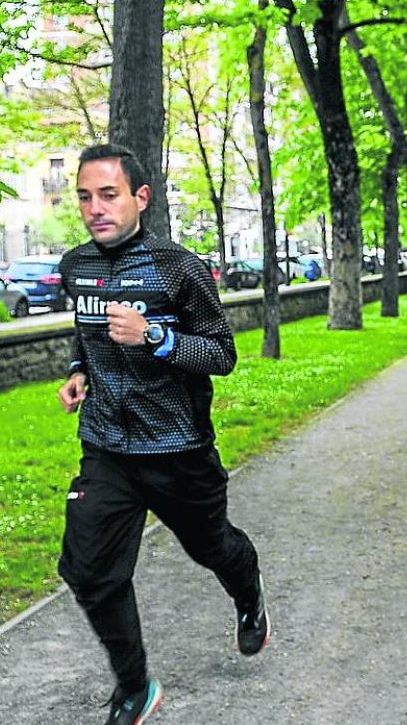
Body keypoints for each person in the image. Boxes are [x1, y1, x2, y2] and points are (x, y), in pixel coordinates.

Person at [56, 144, 269, 725]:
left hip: (178, 451)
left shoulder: (179, 268)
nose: (95, 208)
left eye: (108, 194)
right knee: (88, 571)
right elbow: (86, 335)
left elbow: (221, 354)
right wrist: (79, 372)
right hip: (107, 448)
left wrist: (155, 336)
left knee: (211, 548)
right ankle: (134, 687)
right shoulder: (77, 268)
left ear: (140, 198)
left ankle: (247, 594)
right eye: (84, 197)